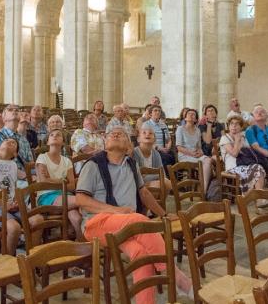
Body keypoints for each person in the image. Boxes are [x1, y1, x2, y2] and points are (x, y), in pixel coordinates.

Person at [76, 127, 193, 304]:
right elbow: (81, 200)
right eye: (111, 134)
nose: (115, 134)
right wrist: (115, 210)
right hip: (96, 223)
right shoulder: (93, 165)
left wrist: (164, 214)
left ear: (129, 145)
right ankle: (176, 277)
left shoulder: (132, 164)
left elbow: (144, 193)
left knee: (141, 253)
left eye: (121, 134)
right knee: (139, 220)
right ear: (105, 143)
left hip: (125, 225)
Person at [0, 138, 41, 255]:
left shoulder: (13, 165)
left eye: (13, 143)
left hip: (10, 206)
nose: (10, 141)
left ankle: (31, 257)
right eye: (6, 140)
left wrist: (15, 203)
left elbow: (13, 189)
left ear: (15, 154)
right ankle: (9, 260)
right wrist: (3, 204)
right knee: (14, 228)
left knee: (38, 220)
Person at [36, 129, 82, 240]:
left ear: (63, 142)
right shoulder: (42, 157)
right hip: (47, 196)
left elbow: (72, 186)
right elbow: (44, 182)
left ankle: (82, 242)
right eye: (51, 135)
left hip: (66, 196)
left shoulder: (67, 161)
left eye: (58, 135)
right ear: (48, 142)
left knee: (77, 219)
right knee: (84, 201)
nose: (55, 136)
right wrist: (63, 181)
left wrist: (52, 180)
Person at [219, 115, 266, 196]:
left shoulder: (243, 136)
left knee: (259, 168)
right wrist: (237, 141)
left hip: (245, 164)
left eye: (237, 124)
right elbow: (234, 154)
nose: (234, 126)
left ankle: (258, 197)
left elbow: (248, 151)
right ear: (228, 126)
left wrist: (241, 139)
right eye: (232, 123)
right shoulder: (224, 138)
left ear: (241, 127)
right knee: (257, 169)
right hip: (233, 166)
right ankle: (254, 197)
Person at [0, 104, 34, 185]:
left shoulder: (23, 139)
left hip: (25, 179)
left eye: (17, 110)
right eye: (10, 109)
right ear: (4, 118)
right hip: (4, 179)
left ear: (19, 118)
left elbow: (30, 164)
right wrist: (26, 177)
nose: (14, 111)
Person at [176, 109, 214, 192]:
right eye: (189, 114)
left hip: (196, 155)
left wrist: (200, 152)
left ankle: (204, 189)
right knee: (206, 165)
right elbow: (179, 147)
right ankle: (205, 191)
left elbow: (199, 147)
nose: (190, 115)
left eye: (193, 114)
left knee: (208, 160)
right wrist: (191, 153)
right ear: (185, 118)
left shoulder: (197, 130)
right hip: (184, 155)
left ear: (196, 119)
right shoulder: (180, 129)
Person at [133, 127, 172, 192]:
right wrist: (157, 176)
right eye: (144, 133)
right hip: (139, 186)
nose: (147, 134)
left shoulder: (156, 153)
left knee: (167, 183)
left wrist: (159, 176)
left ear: (154, 140)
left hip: (155, 182)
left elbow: (163, 174)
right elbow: (138, 177)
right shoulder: (135, 153)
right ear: (138, 139)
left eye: (150, 133)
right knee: (160, 184)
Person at [142, 105, 175, 171]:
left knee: (172, 156)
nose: (157, 112)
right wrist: (159, 148)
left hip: (165, 149)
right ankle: (165, 176)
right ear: (150, 114)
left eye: (159, 111)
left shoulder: (163, 124)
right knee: (166, 158)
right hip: (153, 149)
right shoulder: (146, 124)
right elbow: (145, 141)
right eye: (155, 111)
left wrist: (168, 147)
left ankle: (171, 176)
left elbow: (169, 139)